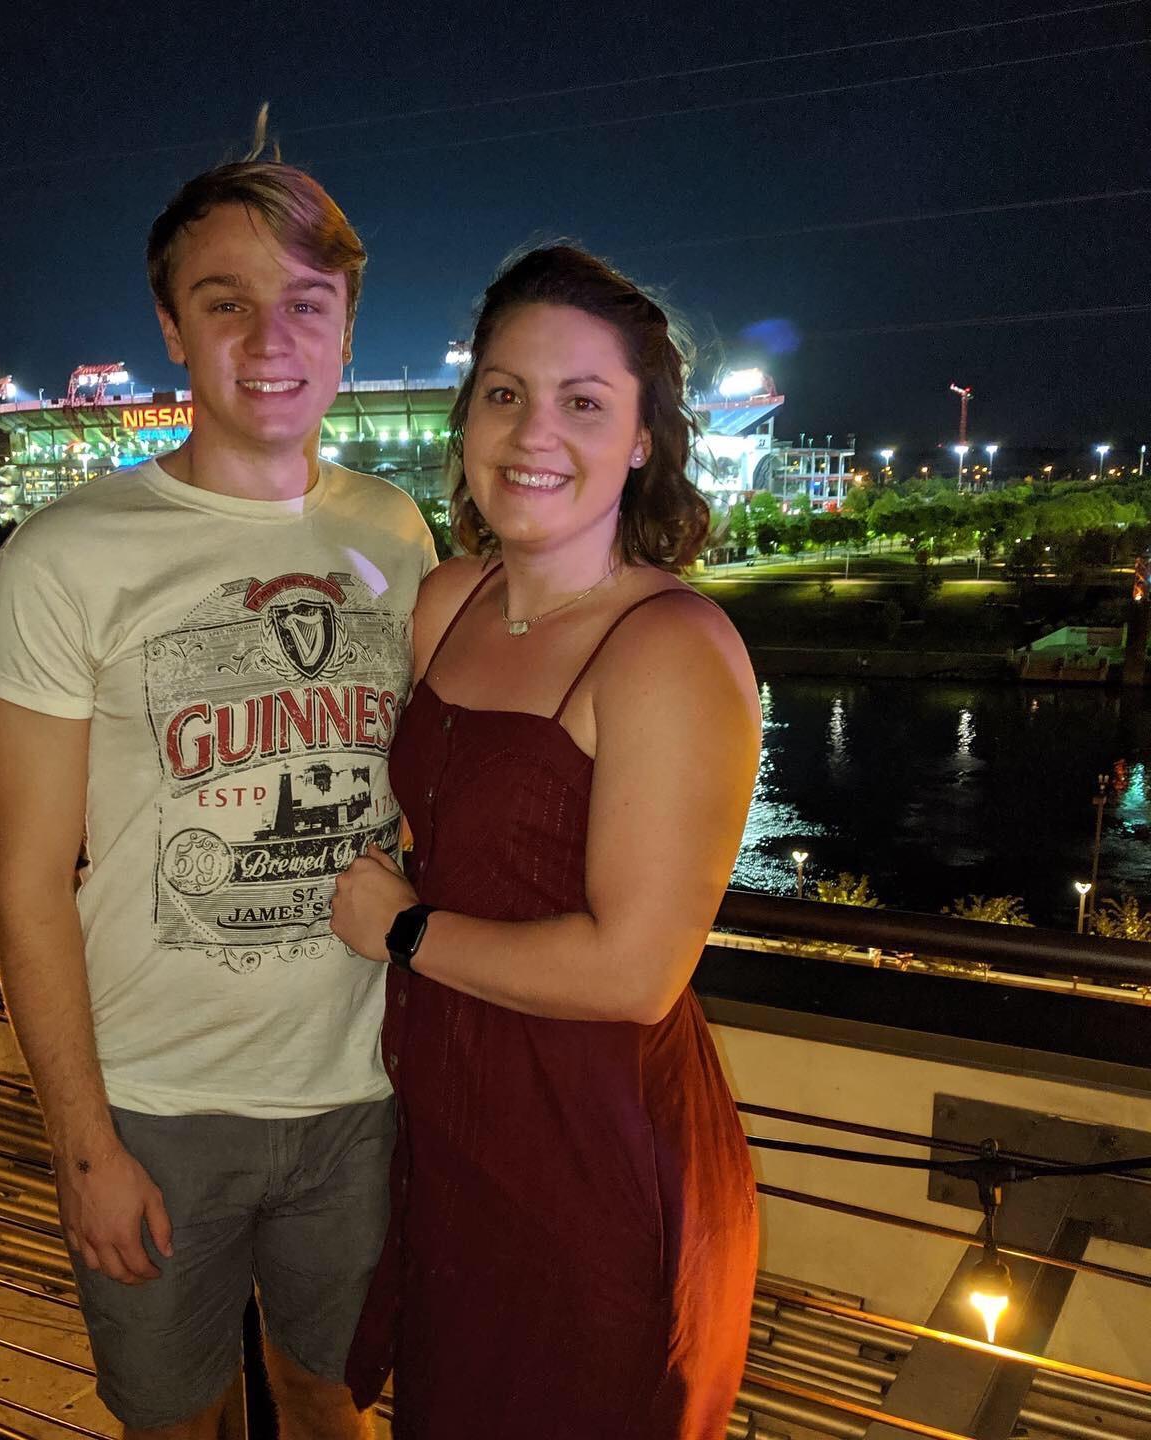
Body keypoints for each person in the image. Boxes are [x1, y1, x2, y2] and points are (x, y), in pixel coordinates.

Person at [0, 127, 437, 1440]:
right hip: (153, 1105)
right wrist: (84, 1146)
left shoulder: (392, 531)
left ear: (348, 328)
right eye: (224, 302)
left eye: (304, 303)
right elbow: (25, 880)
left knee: (333, 1405)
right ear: (172, 328)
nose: (269, 337)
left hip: (357, 1094)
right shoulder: (66, 556)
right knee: (177, 1423)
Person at [333, 246, 762, 1438]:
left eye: (584, 402)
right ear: (468, 416)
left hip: (592, 1153)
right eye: (505, 392)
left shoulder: (672, 648)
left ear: (642, 440)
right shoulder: (445, 603)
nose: (534, 431)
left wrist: (404, 932)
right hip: (456, 1133)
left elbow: (636, 975)